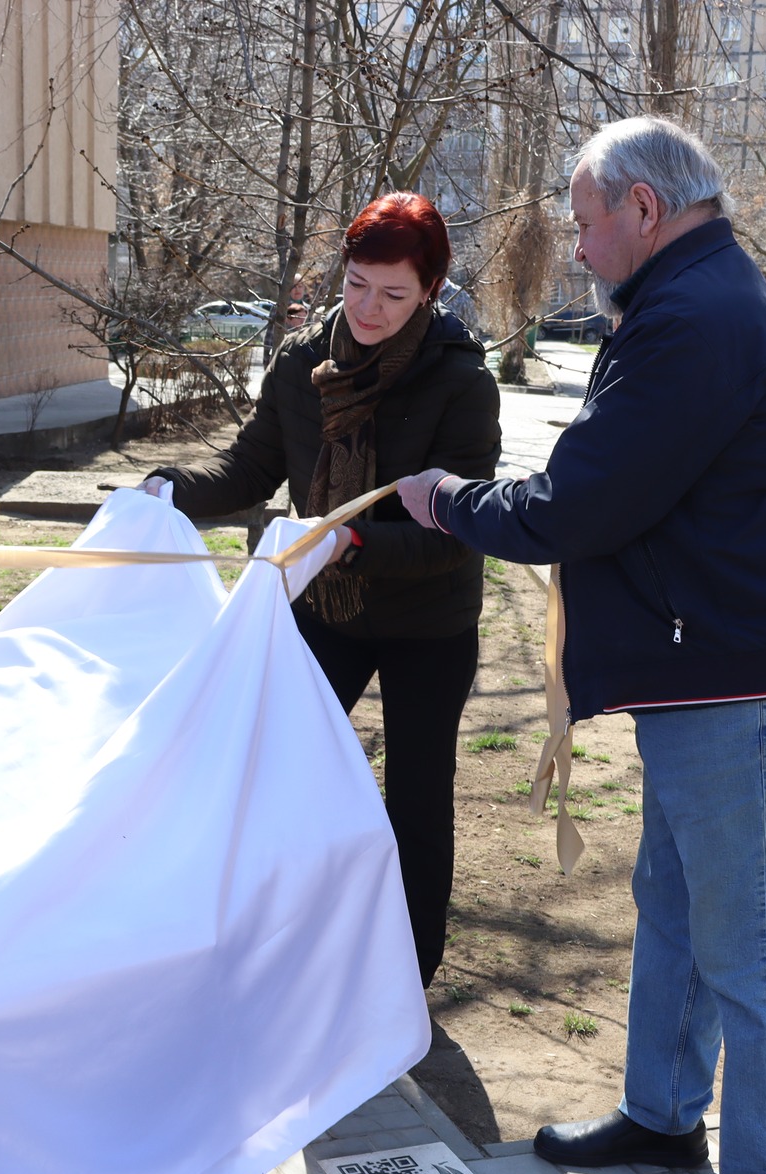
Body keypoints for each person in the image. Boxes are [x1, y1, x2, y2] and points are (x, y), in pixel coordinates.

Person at [395, 117, 766, 1174]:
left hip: (742, 686)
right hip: (705, 673)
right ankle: (661, 1112)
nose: (575, 244)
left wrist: (451, 502)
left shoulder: (695, 321)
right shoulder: (684, 303)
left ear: (643, 211)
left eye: (583, 219)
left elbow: (579, 502)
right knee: (674, 900)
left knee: (751, 950)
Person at [143, 191, 501, 988]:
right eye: (356, 284)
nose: (369, 309)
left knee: (414, 791)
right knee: (273, 763)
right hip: (328, 609)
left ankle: (407, 973)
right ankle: (273, 935)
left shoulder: (461, 383)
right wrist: (168, 489)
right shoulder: (302, 363)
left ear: (431, 291)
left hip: (429, 619)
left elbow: (456, 531)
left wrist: (352, 539)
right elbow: (246, 468)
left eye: (394, 293)